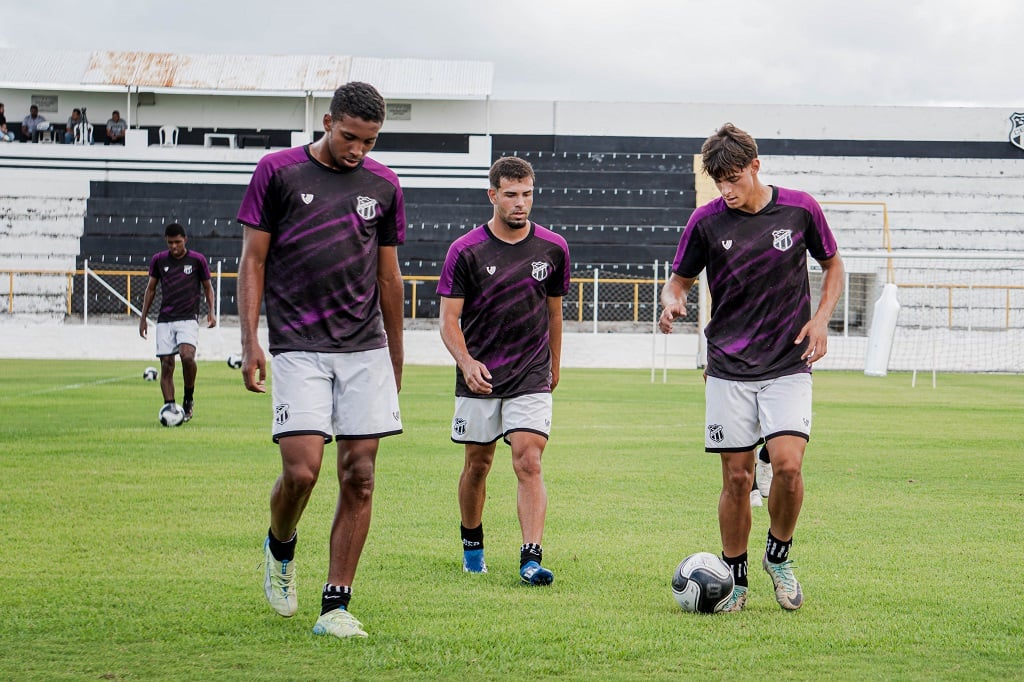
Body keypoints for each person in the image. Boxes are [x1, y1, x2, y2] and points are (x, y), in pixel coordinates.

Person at [237, 81, 405, 640]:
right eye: (350, 137)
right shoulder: (277, 171)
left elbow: (388, 276)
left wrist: (396, 359)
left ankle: (335, 605)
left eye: (370, 141)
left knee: (360, 477)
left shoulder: (384, 184)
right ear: (329, 121)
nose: (359, 150)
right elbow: (252, 261)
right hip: (297, 345)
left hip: (364, 349)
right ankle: (280, 547)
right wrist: (249, 341)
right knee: (302, 470)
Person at [659, 123, 844, 612]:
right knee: (737, 479)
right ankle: (735, 578)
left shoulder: (800, 209)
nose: (727, 191)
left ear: (755, 166)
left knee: (787, 465)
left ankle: (778, 558)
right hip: (728, 366)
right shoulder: (705, 222)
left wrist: (821, 319)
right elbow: (678, 282)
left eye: (734, 179)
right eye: (719, 182)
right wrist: (671, 301)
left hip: (788, 360)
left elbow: (834, 266)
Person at [437, 156, 570, 586]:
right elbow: (448, 321)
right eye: (511, 194)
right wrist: (466, 361)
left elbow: (554, 313)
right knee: (478, 464)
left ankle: (531, 558)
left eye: (527, 194)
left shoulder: (554, 248)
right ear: (492, 195)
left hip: (530, 373)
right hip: (481, 376)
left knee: (529, 460)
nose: (520, 203)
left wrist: (555, 362)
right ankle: (472, 546)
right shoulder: (465, 250)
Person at [139, 223, 216, 422]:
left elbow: (208, 288)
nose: (174, 246)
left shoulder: (197, 260)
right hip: (165, 320)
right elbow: (151, 289)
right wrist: (143, 318)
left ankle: (188, 398)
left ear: (185, 240)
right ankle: (171, 407)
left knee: (187, 356)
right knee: (166, 364)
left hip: (188, 318)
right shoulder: (158, 260)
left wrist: (211, 312)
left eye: (178, 242)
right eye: (170, 242)